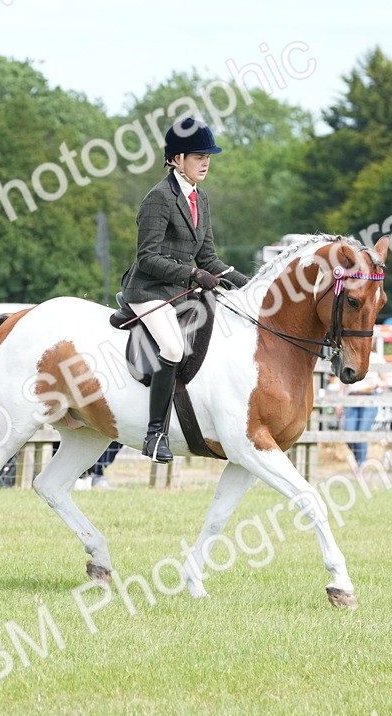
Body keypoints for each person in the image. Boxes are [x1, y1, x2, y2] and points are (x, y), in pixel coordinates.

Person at [121, 116, 251, 463]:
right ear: (176, 159)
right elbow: (147, 257)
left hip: (179, 292)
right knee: (174, 347)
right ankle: (154, 434)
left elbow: (209, 256)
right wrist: (194, 273)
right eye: (197, 156)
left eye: (208, 156)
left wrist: (250, 286)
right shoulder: (159, 198)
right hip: (149, 291)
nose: (206, 162)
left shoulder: (200, 198)